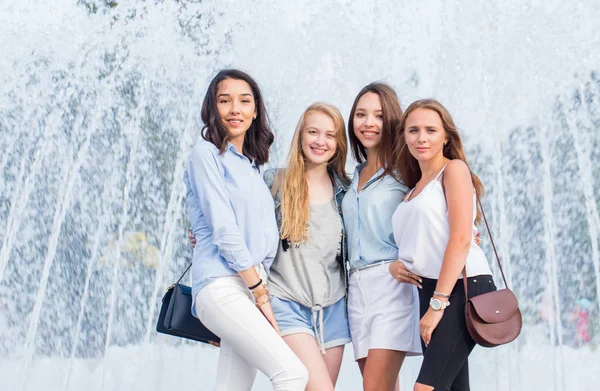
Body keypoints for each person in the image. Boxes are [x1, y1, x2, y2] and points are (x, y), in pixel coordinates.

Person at [190, 102, 352, 391]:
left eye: (330, 135)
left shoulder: (346, 191)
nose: (320, 141)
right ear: (300, 136)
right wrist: (198, 233)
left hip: (333, 309)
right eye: (313, 132)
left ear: (339, 144)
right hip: (285, 302)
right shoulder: (274, 183)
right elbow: (229, 214)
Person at [184, 69, 308, 391]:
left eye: (244, 101)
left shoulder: (252, 167)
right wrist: (259, 292)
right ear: (213, 108)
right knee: (293, 374)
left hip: (247, 289)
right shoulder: (206, 154)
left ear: (255, 112)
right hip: (225, 286)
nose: (235, 109)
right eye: (225, 101)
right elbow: (224, 229)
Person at [391, 98, 496, 391]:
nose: (421, 138)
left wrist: (438, 304)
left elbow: (461, 239)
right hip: (431, 289)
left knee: (425, 387)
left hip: (461, 288)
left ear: (446, 136)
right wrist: (396, 265)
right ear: (404, 137)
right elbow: (418, 242)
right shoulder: (412, 190)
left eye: (430, 130)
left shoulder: (454, 170)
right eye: (413, 130)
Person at [342, 83, 422, 391]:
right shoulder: (351, 177)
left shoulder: (406, 171)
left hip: (392, 286)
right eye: (361, 114)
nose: (368, 123)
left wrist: (469, 231)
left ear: (391, 121)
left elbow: (441, 208)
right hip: (356, 288)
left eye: (378, 115)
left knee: (374, 388)